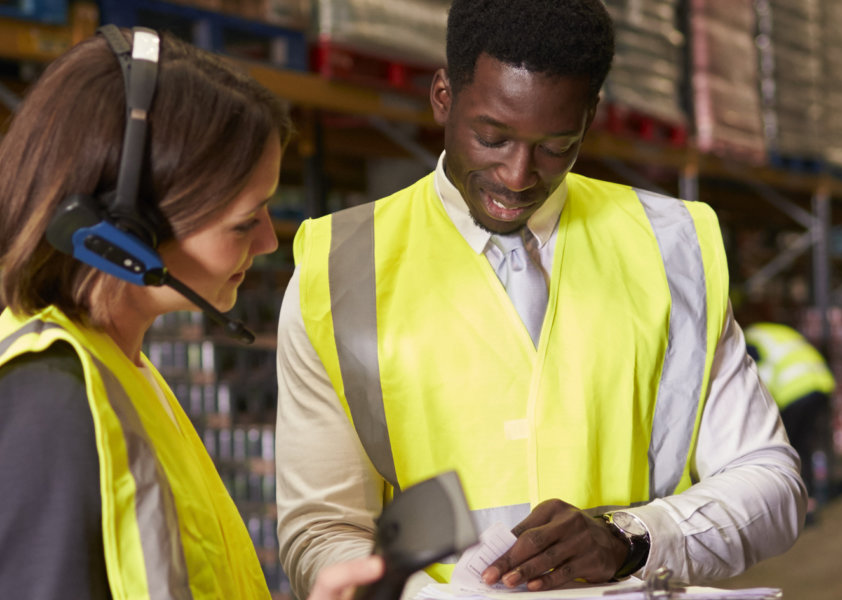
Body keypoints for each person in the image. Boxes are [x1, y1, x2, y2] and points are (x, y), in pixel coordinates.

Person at [275, 0, 805, 594]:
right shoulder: (338, 270)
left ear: (591, 115)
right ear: (443, 96)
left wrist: (631, 537)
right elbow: (320, 532)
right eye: (491, 137)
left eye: (556, 145)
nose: (518, 175)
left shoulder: (671, 248)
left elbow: (771, 484)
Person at [0, 29, 380, 599]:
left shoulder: (121, 377)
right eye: (243, 221)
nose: (265, 243)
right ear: (124, 234)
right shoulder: (41, 408)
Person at [742, 319, 835, 516]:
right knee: (805, 445)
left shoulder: (750, 339)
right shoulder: (775, 331)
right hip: (820, 383)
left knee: (788, 448)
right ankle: (810, 500)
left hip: (793, 391)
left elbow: (758, 376)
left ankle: (795, 505)